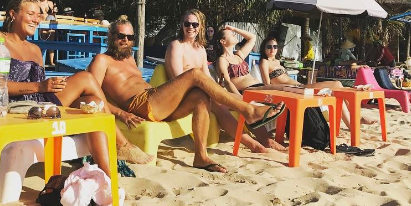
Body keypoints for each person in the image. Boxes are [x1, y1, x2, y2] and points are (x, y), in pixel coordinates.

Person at [0, 0, 153, 199]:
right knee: (86, 78)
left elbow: (41, 89)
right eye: (30, 13)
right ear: (12, 14)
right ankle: (121, 144)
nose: (36, 19)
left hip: (41, 104)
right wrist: (41, 86)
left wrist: (53, 85)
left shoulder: (35, 49)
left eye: (38, 15)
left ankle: (108, 181)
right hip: (15, 107)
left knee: (95, 103)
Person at [89, 16, 286, 173]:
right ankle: (249, 111)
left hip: (155, 100)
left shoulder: (129, 59)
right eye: (120, 36)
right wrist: (121, 113)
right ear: (111, 36)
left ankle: (200, 156)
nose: (125, 41)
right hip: (142, 105)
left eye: (129, 37)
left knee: (201, 96)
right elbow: (93, 97)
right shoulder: (101, 60)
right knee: (194, 74)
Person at [166, 12, 286, 153]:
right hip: (181, 97)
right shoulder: (176, 46)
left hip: (200, 92)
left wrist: (218, 90)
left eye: (195, 24)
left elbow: (207, 77)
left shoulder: (200, 49)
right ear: (182, 25)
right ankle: (254, 144)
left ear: (200, 27)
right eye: (187, 23)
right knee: (221, 104)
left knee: (238, 100)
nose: (190, 27)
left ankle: (265, 139)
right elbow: (178, 81)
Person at [258, 36, 375, 127]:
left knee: (338, 91)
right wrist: (281, 90)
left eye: (275, 46)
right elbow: (267, 84)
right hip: (293, 90)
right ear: (264, 48)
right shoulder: (264, 62)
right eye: (269, 47)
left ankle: (353, 120)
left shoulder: (278, 62)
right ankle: (355, 119)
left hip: (299, 86)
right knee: (337, 84)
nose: (272, 49)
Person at [37, 0, 57, 66]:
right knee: (43, 41)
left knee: (51, 41)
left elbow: (53, 15)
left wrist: (54, 12)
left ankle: (51, 61)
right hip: (42, 25)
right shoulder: (37, 3)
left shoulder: (50, 3)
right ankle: (41, 61)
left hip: (50, 24)